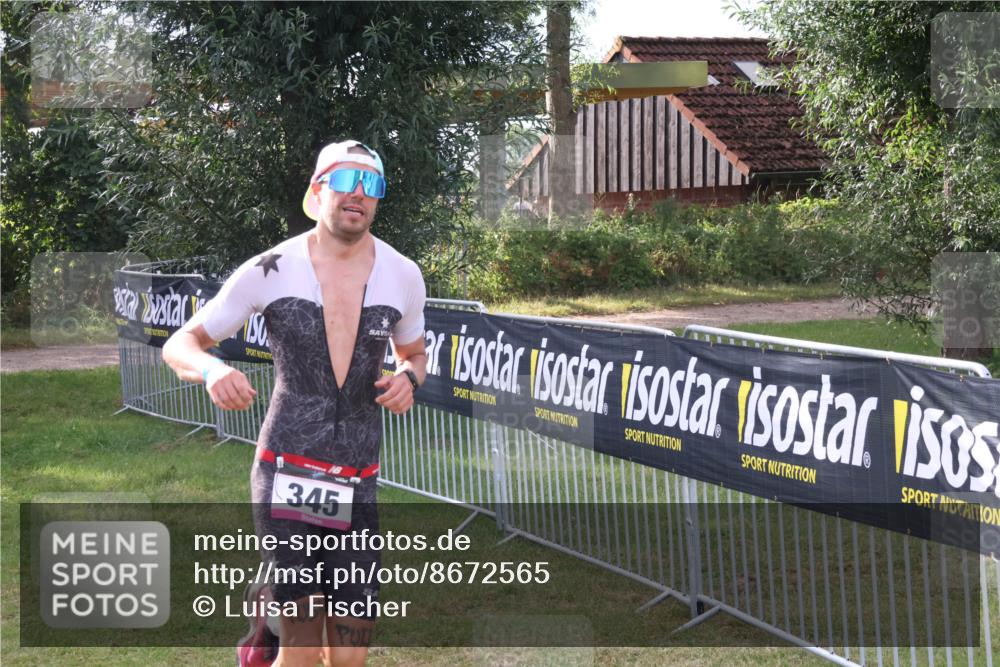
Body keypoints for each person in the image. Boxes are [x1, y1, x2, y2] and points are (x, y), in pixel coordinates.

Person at [163, 140, 427, 667]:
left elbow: (415, 354)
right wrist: (214, 369)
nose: (358, 194)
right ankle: (270, 633)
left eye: (371, 185)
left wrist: (409, 380)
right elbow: (181, 343)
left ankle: (263, 625)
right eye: (345, 181)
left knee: (350, 656)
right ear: (317, 190)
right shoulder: (271, 267)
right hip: (286, 471)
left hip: (358, 475)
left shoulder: (403, 274)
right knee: (303, 652)